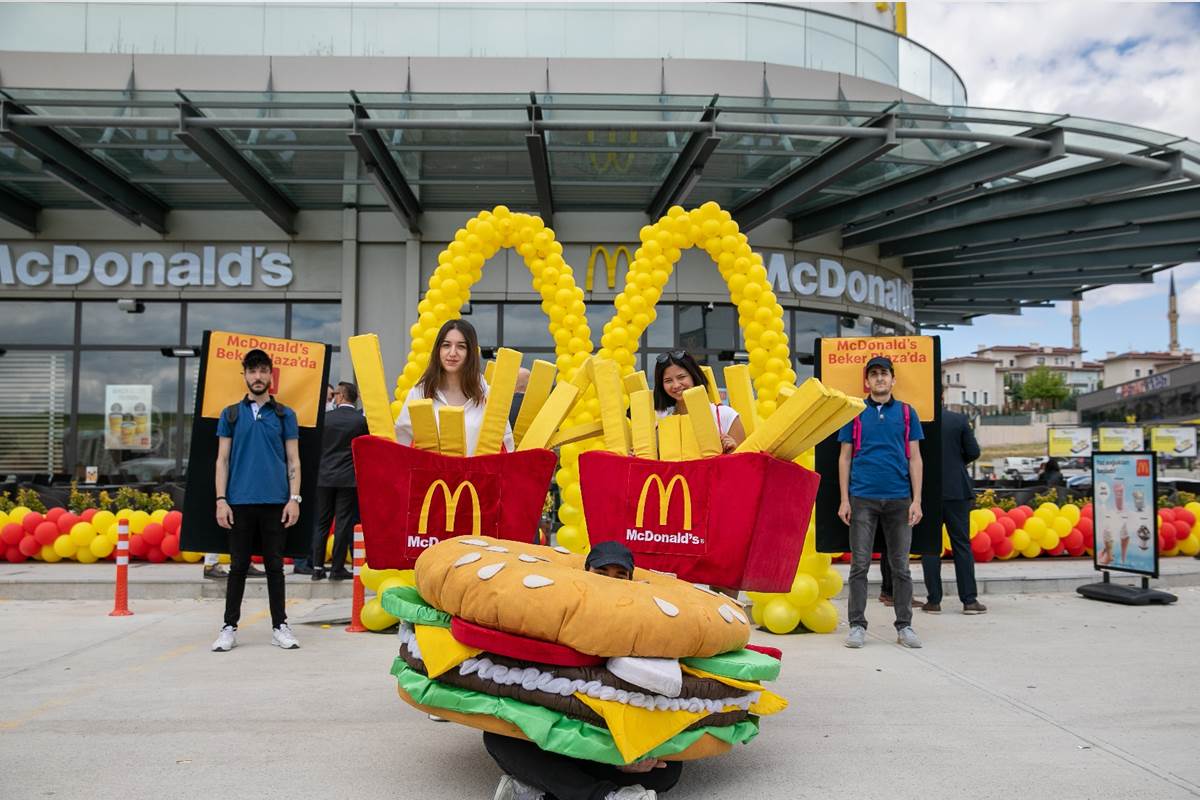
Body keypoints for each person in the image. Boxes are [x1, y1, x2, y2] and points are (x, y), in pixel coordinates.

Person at [486, 540, 682, 800]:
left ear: (631, 582)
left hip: (611, 742)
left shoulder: (645, 624)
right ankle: (604, 796)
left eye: (619, 576)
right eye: (601, 574)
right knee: (499, 738)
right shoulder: (558, 612)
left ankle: (541, 788)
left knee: (668, 770)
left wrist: (622, 756)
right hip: (557, 735)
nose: (609, 582)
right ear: (586, 573)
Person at [211, 348, 302, 653]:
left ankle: (280, 626)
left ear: (271, 375)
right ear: (245, 375)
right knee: (237, 567)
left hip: (276, 502)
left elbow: (294, 460)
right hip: (239, 502)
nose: (258, 376)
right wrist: (221, 500)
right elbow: (222, 460)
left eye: (263, 371)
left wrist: (294, 499)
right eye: (252, 371)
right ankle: (228, 627)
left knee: (275, 567)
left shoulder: (284, 414)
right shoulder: (231, 414)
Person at [837, 355, 925, 650]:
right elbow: (844, 457)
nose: (879, 379)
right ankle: (857, 626)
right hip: (862, 498)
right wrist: (843, 499)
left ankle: (905, 626)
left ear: (893, 379)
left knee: (900, 566)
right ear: (867, 380)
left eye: (884, 374)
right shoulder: (855, 413)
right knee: (859, 566)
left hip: (900, 499)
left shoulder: (907, 413)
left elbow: (915, 458)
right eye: (873, 374)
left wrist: (917, 500)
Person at [394, 319, 514, 455]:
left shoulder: (489, 396)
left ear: (470, 352)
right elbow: (401, 443)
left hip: (476, 476)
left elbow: (507, 446)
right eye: (446, 345)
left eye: (461, 346)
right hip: (431, 476)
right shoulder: (419, 393)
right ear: (438, 349)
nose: (452, 353)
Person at [918, 407, 988, 615]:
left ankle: (933, 601)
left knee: (930, 547)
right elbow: (974, 451)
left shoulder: (919, 420)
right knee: (962, 545)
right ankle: (969, 600)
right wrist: (957, 463)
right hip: (957, 488)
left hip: (927, 490)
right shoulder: (958, 420)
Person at [309, 381, 369, 581]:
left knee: (321, 522)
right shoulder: (360, 421)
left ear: (341, 396)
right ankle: (336, 568)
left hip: (324, 477)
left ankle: (317, 567)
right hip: (348, 478)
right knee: (343, 522)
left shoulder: (325, 419)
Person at [653, 350, 745, 453]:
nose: (676, 385)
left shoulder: (725, 415)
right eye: (668, 381)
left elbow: (746, 464)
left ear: (694, 375)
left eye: (681, 377)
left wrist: (734, 450)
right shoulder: (661, 427)